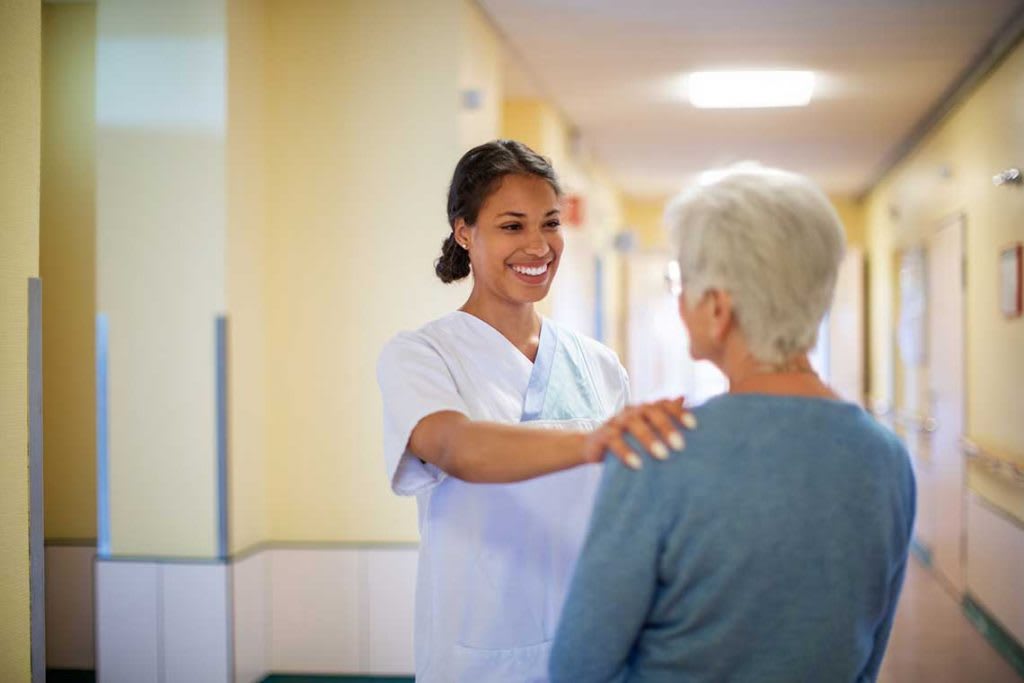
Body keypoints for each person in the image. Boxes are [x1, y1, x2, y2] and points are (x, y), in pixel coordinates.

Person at [550, 164, 915, 682]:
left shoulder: (656, 452)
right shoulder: (886, 456)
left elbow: (577, 668)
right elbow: (866, 656)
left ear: (718, 308)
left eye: (683, 282)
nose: (680, 299)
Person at [376, 139, 693, 682]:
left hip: (588, 642)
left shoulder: (598, 364)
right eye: (512, 226)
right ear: (464, 232)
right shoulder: (423, 355)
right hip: (479, 653)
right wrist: (592, 440)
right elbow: (456, 448)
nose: (538, 246)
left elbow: (621, 507)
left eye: (549, 224)